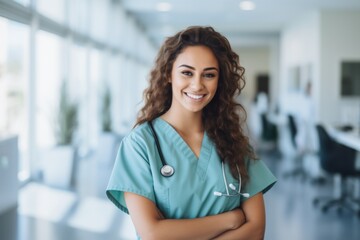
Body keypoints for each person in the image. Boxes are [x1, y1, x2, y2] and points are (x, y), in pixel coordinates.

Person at [106, 26, 277, 240]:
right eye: (187, 72)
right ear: (168, 74)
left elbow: (255, 230)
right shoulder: (140, 144)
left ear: (219, 80)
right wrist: (229, 220)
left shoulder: (233, 142)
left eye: (209, 75)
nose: (197, 85)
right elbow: (152, 234)